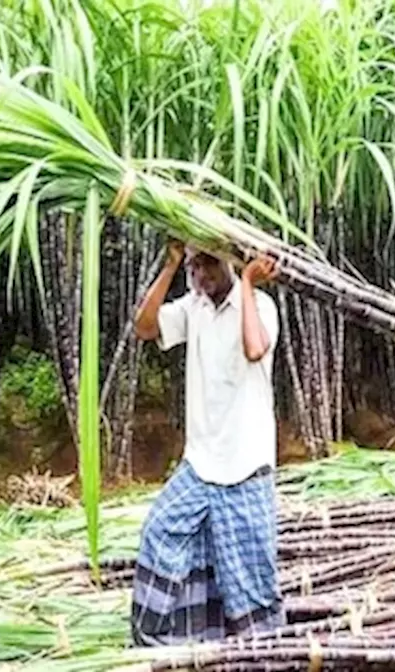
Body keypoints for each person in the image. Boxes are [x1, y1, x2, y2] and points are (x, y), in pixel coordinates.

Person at [128, 239, 284, 645]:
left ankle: (263, 653)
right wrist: (171, 265)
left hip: (245, 468)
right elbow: (144, 328)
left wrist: (248, 282)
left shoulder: (260, 306)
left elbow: (255, 348)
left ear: (229, 261)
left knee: (250, 580)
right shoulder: (192, 307)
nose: (201, 275)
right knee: (159, 534)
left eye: (209, 264)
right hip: (199, 466)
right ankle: (166, 645)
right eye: (194, 267)